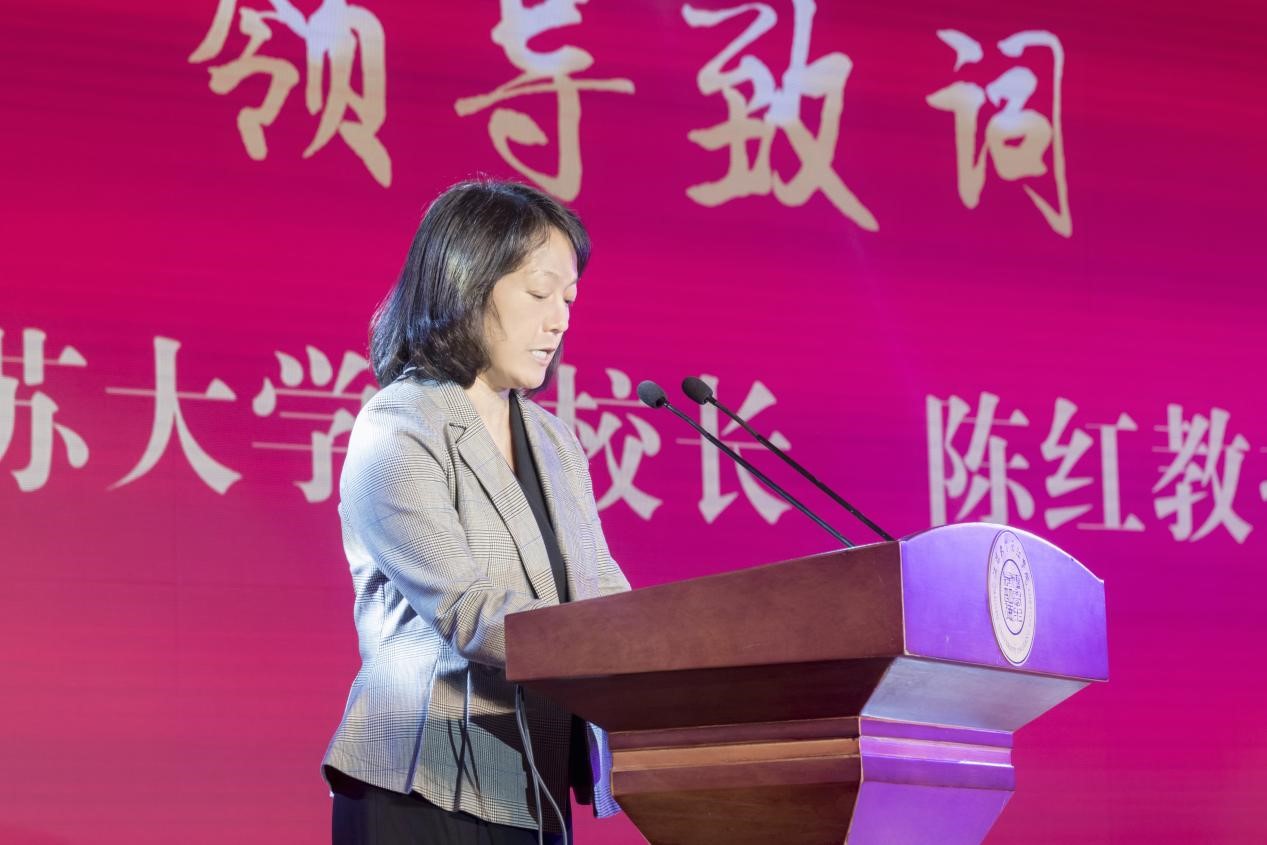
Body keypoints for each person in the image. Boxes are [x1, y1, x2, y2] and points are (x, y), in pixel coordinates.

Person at [322, 179, 631, 844]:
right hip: (424, 781)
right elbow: (467, 610)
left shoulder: (553, 440)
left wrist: (670, 649)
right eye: (540, 293)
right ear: (467, 282)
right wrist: (615, 645)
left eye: (569, 299)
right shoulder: (400, 424)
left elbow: (601, 587)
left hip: (535, 781)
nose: (560, 320)